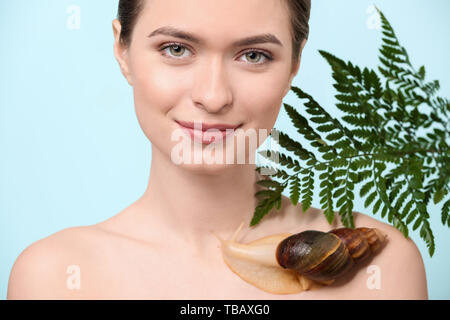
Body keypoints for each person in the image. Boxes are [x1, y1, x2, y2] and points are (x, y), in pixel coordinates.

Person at [7, 0, 427, 299]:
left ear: (295, 63)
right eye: (176, 49)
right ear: (123, 50)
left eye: (254, 55)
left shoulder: (384, 271)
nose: (213, 96)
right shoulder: (52, 277)